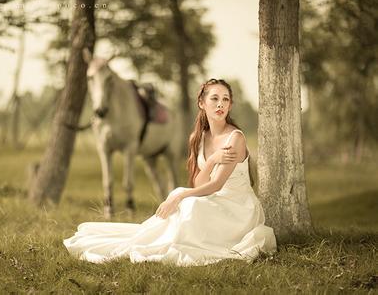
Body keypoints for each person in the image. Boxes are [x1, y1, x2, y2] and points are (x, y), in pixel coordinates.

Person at [63, 78, 276, 266]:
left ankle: (171, 241)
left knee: (184, 198)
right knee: (181, 196)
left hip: (237, 207)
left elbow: (216, 185)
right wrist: (211, 161)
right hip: (217, 200)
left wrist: (181, 194)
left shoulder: (235, 138)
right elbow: (200, 183)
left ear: (230, 105)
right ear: (202, 103)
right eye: (214, 98)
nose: (220, 104)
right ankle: (158, 240)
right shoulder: (200, 137)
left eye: (226, 99)